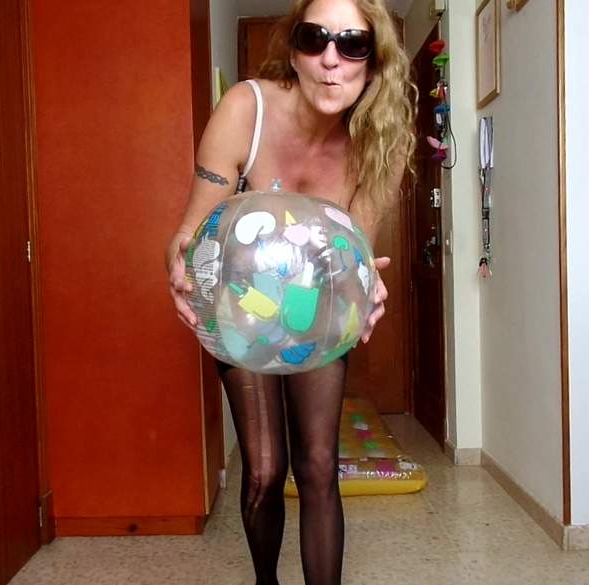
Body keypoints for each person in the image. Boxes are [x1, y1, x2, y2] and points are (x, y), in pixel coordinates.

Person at [165, 1, 416, 583]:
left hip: (318, 309)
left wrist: (371, 288)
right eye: (314, 38)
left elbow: (354, 259)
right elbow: (190, 234)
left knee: (320, 465)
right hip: (241, 305)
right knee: (264, 469)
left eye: (352, 44)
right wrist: (177, 269)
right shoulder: (245, 109)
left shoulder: (382, 142)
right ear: (294, 49)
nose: (331, 59)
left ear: (374, 60)